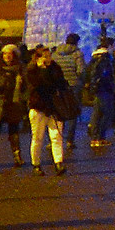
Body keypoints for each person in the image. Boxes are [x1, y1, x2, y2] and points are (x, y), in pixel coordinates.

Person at [26, 44, 78, 174]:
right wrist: (42, 69)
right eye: (45, 56)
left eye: (49, 56)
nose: (48, 58)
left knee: (56, 136)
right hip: (38, 107)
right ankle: (36, 164)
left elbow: (60, 83)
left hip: (55, 107)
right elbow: (37, 85)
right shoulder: (32, 70)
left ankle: (59, 163)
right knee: (38, 137)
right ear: (37, 57)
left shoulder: (55, 67)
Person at [54, 32, 88, 150]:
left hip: (59, 85)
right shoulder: (77, 54)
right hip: (73, 85)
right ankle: (69, 140)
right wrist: (82, 81)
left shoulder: (56, 53)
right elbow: (81, 70)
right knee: (73, 111)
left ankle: (56, 139)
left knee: (58, 111)